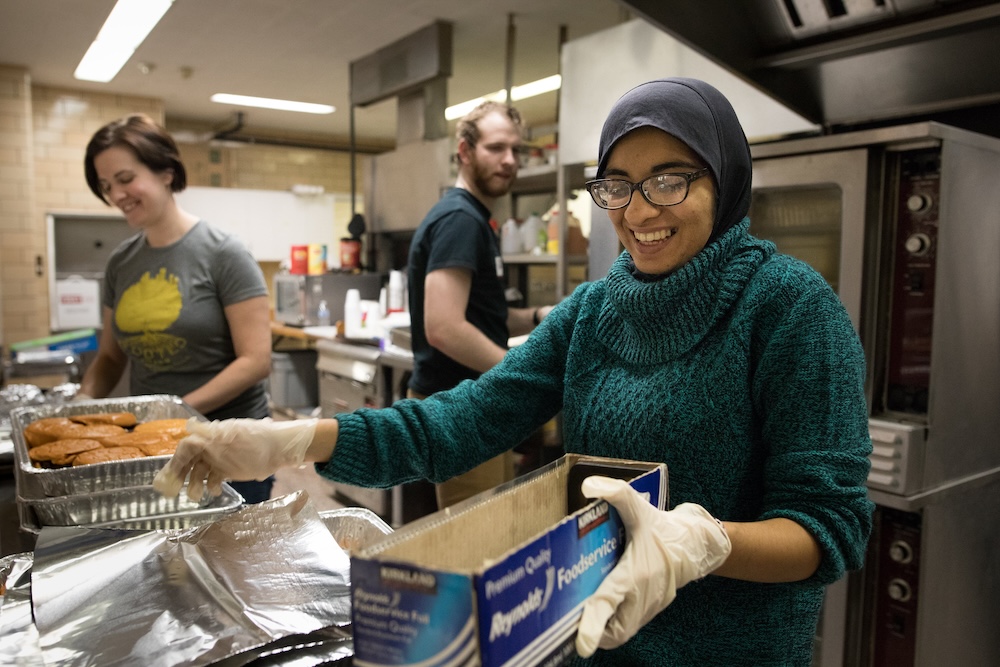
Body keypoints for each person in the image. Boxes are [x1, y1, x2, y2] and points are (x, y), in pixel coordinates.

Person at [155, 78, 874, 665]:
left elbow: (830, 527)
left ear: (725, 180)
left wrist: (704, 542)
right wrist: (293, 441)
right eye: (617, 185)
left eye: (669, 180)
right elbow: (457, 422)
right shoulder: (595, 312)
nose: (637, 209)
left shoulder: (789, 309)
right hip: (589, 641)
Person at [79, 113, 275, 503]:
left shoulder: (223, 252)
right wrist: (83, 406)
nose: (116, 195)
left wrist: (172, 413)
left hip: (226, 444)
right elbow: (109, 357)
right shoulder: (121, 262)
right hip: (152, 446)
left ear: (166, 172)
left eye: (125, 178)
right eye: (105, 186)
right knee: (165, 558)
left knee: (226, 559)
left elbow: (256, 360)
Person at [406, 100, 553, 508]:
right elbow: (445, 327)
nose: (509, 160)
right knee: (476, 548)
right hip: (460, 408)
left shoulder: (473, 218)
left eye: (516, 150)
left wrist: (540, 316)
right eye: (496, 148)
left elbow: (486, 317)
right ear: (465, 151)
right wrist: (517, 375)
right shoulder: (461, 220)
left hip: (470, 403)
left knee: (486, 530)